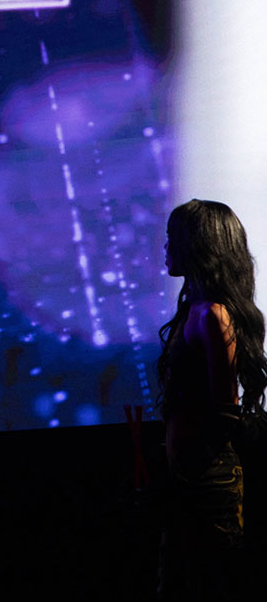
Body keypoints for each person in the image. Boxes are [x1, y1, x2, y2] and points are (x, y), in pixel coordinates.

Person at [156, 199, 266, 599]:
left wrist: (187, 474)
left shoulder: (212, 316)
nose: (166, 247)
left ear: (198, 245)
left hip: (207, 480)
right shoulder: (196, 312)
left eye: (172, 238)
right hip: (189, 476)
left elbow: (224, 410)